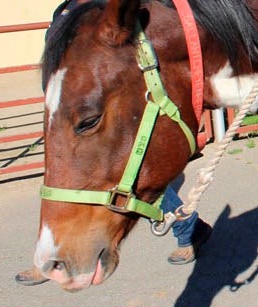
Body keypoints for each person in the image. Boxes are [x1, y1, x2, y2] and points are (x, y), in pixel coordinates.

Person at [14, 0, 210, 286]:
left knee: (129, 170)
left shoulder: (116, 17)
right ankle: (56, 246)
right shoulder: (67, 17)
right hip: (73, 103)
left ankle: (188, 228)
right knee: (71, 175)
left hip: (115, 95)